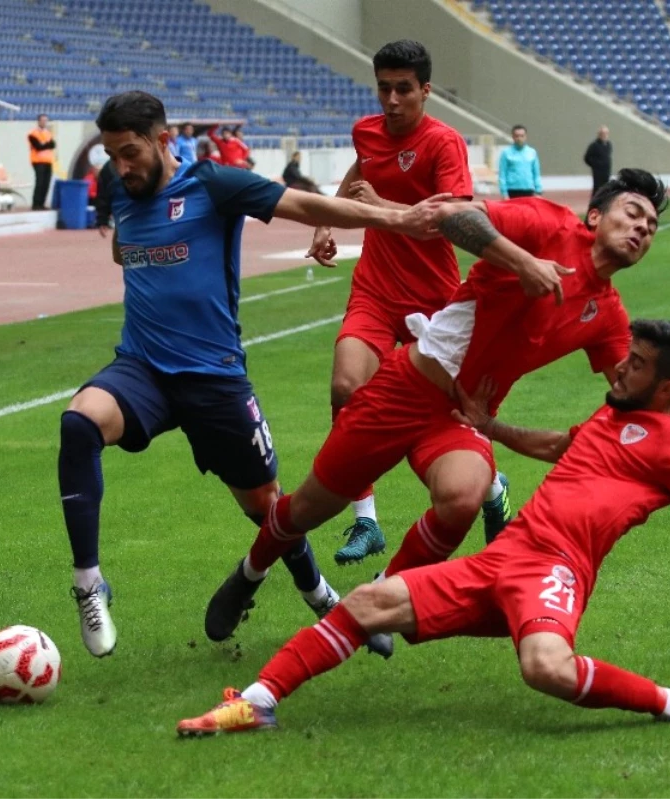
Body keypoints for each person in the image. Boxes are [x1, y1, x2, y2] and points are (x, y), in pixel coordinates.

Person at [204, 169, 670, 651]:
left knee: (463, 497)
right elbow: (452, 215)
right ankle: (249, 574)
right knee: (304, 512)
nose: (643, 227)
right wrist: (520, 261)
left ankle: (373, 603)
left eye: (651, 225)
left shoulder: (608, 314)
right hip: (405, 386)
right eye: (632, 213)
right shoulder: (547, 223)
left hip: (462, 416)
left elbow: (630, 396)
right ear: (595, 215)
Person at [179, 319, 670, 736]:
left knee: (545, 667)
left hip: (555, 569)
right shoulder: (611, 416)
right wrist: (489, 425)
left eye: (638, 364)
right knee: (367, 603)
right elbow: (556, 445)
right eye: (628, 355)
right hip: (501, 559)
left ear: (666, 388)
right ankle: (257, 701)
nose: (621, 365)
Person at [59, 90, 449, 658]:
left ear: (164, 141)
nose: (120, 168)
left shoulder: (215, 183)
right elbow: (125, 247)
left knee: (268, 507)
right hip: (141, 368)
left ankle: (318, 593)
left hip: (214, 378)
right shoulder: (123, 190)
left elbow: (308, 207)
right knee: (78, 424)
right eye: (112, 156)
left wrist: (396, 217)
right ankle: (89, 584)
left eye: (130, 153)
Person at [306, 40, 503, 565]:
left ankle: (492, 486)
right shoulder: (366, 131)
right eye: (384, 88)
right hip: (374, 287)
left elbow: (458, 219)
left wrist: (387, 208)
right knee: (347, 387)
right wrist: (328, 219)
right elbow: (358, 176)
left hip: (435, 297)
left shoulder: (444, 142)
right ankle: (365, 521)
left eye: (403, 89)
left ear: (425, 91)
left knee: (451, 410)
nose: (392, 100)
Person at [498, 124, 542, 199]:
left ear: (526, 137)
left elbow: (536, 174)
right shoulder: (506, 153)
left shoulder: (532, 152)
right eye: (517, 136)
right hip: (511, 191)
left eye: (522, 136)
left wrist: (538, 191)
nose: (519, 138)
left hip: (528, 190)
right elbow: (502, 174)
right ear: (513, 137)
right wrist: (504, 193)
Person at [28, 113, 55, 210]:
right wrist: (45, 145)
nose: (44, 122)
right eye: (42, 120)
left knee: (46, 183)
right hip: (38, 161)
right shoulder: (33, 133)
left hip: (48, 161)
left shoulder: (48, 133)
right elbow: (38, 146)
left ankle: (42, 203)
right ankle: (36, 203)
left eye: (45, 120)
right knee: (39, 182)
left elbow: (53, 145)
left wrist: (45, 144)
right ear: (38, 121)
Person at [584, 125, 613, 197]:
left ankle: (603, 205)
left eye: (606, 133)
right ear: (599, 134)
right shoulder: (594, 145)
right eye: (603, 134)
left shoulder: (609, 144)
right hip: (598, 173)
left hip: (606, 172)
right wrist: (595, 165)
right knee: (597, 189)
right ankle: (594, 205)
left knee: (606, 189)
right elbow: (587, 158)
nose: (605, 135)